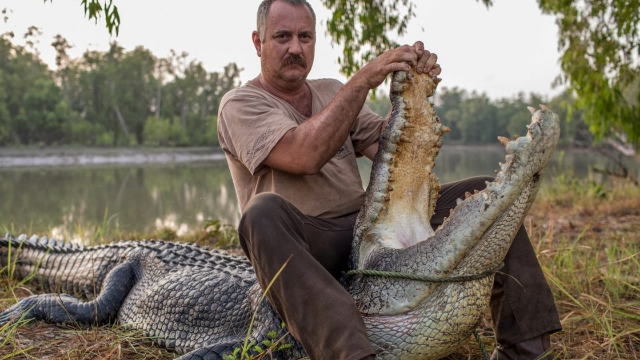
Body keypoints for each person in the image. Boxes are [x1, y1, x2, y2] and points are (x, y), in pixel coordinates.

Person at [217, 1, 561, 359]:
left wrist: (414, 88)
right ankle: (354, 354)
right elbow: (303, 155)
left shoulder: (330, 91)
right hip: (306, 242)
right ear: (258, 42)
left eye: (305, 37)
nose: (295, 48)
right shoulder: (240, 104)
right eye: (282, 37)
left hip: (366, 230)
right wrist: (364, 79)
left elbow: (390, 147)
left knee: (487, 194)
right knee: (261, 213)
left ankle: (526, 347)